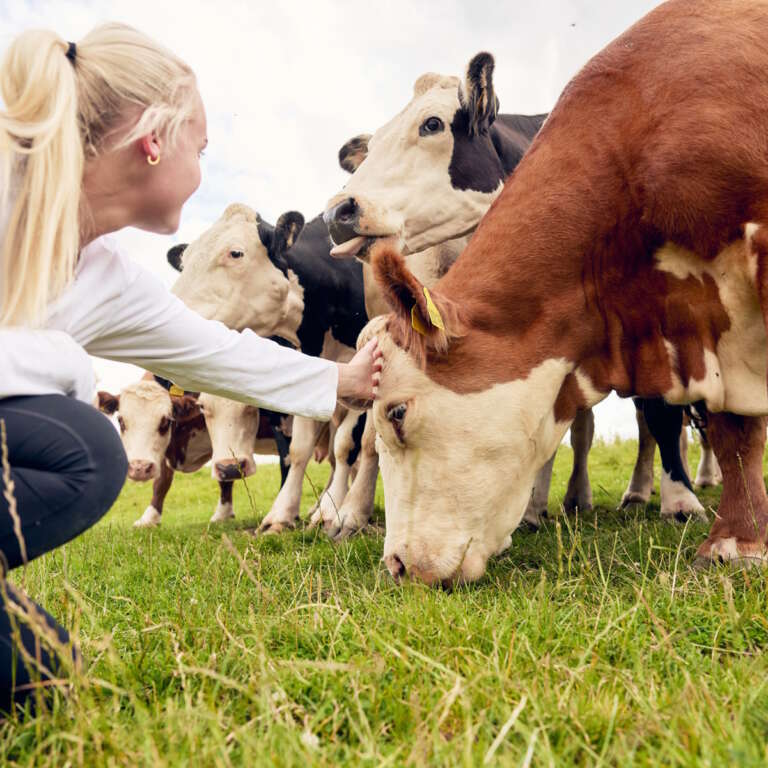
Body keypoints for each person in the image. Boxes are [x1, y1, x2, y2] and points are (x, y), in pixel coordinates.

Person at [0, 23, 381, 714]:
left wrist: (344, 381)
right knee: (83, 446)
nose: (204, 168)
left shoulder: (105, 277)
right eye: (201, 149)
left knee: (47, 687)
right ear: (155, 141)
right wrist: (64, 366)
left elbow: (215, 352)